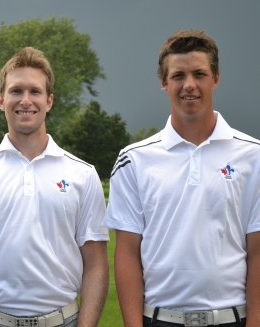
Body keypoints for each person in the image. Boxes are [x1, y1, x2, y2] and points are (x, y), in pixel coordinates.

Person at [103, 30, 260, 327]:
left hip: (233, 319)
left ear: (215, 78)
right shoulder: (134, 159)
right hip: (159, 320)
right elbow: (127, 254)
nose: (189, 85)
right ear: (164, 82)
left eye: (199, 74)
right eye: (178, 76)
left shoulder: (254, 156)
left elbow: (258, 251)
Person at [0, 47, 110, 327]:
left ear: (49, 101)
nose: (25, 100)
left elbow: (96, 264)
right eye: (16, 91)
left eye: (35, 91)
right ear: (1, 100)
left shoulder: (83, 174)